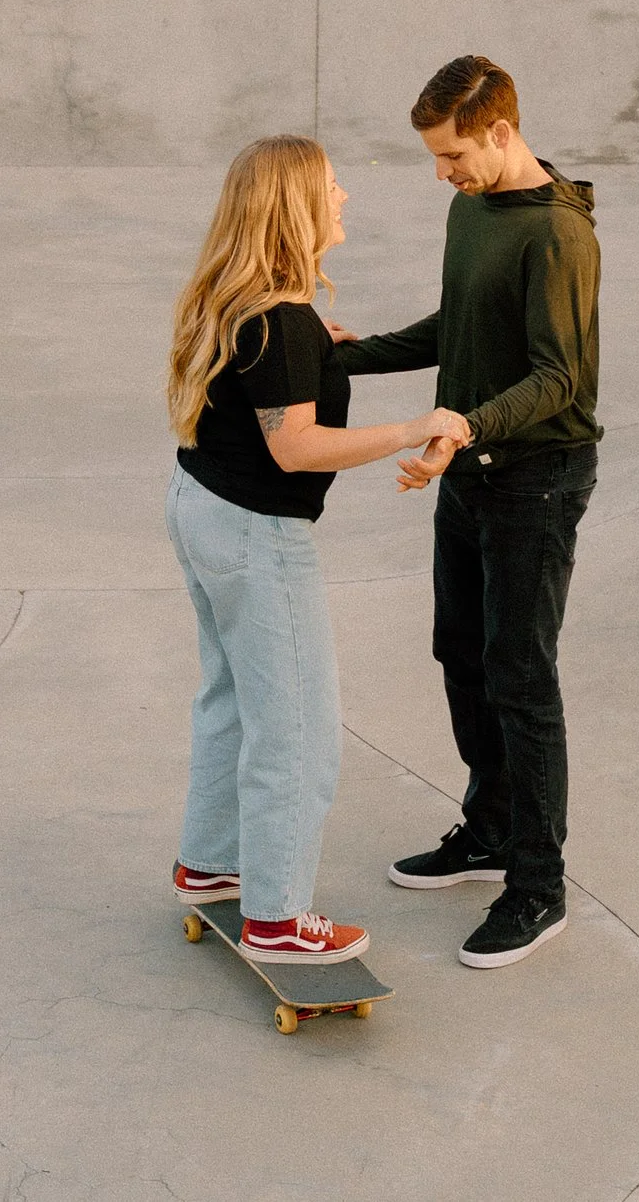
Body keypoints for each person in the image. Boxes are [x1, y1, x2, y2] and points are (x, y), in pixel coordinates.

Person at [165, 133, 472, 966]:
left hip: (200, 507)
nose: (345, 198)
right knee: (297, 731)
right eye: (333, 187)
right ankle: (276, 916)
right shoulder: (282, 323)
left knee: (230, 699)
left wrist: (324, 358)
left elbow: (269, 391)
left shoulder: (243, 301)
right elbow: (295, 449)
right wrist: (414, 426)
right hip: (259, 536)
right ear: (298, 205)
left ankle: (208, 863)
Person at [335, 55, 601, 969]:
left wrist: (467, 422)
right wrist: (349, 355)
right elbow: (458, 328)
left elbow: (559, 377)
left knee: (522, 679)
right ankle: (488, 831)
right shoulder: (472, 209)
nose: (440, 174)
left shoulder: (559, 237)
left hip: (536, 478)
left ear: (498, 131)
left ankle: (538, 886)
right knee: (462, 655)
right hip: (469, 468)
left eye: (450, 155)